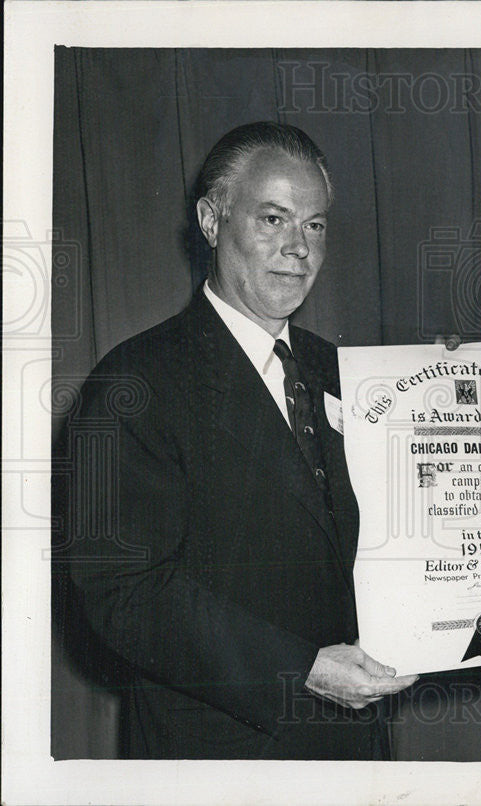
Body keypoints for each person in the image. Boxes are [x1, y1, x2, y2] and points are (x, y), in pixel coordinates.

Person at [60, 122, 417, 759]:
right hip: (219, 751)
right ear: (210, 219)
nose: (299, 250)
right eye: (273, 219)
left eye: (315, 225)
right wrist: (299, 668)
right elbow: (125, 593)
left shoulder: (349, 374)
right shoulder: (133, 381)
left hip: (354, 748)